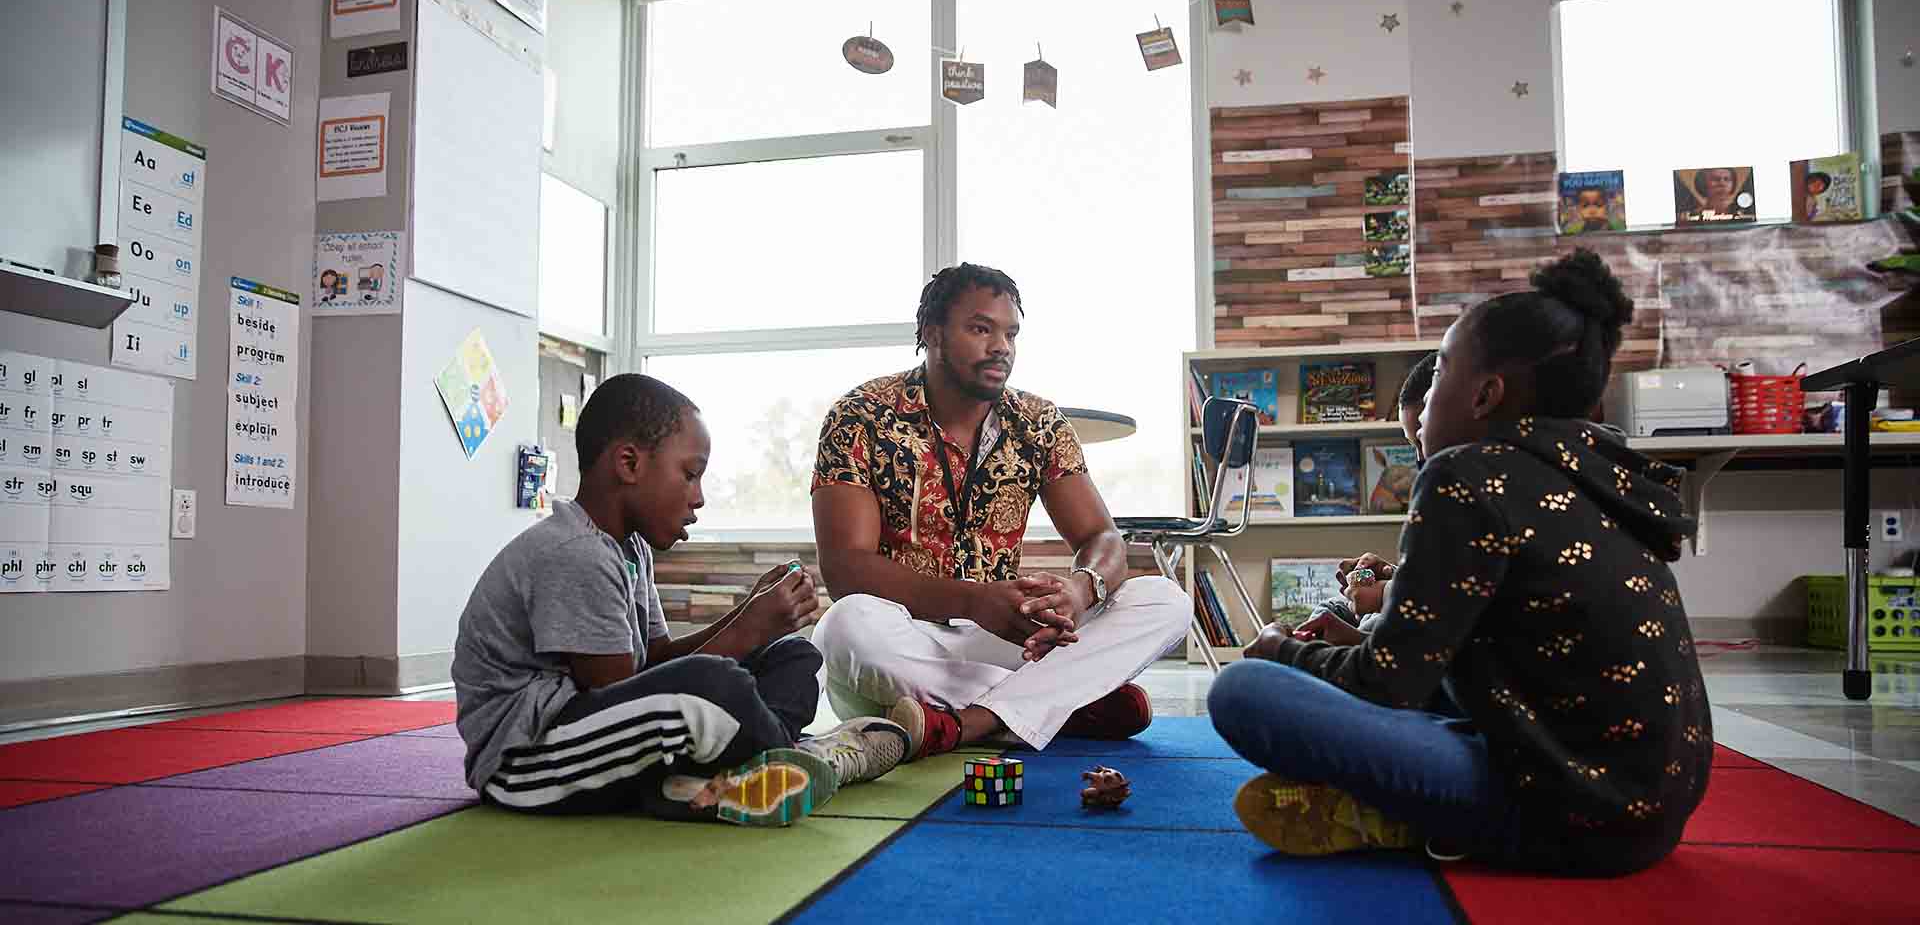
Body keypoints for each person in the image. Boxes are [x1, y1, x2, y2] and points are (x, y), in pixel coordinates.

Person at [1208, 249, 1708, 876]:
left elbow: (1387, 685)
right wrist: (1356, 640)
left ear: (1485, 394)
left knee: (1243, 691)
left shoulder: (1465, 473)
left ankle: (1415, 817)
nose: (1424, 403)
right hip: (1654, 815)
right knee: (1362, 644)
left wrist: (1281, 649)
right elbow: (1474, 647)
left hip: (1570, 814)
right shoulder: (1599, 467)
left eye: (1439, 373)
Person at [452, 374, 907, 825]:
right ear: (629, 464)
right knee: (712, 685)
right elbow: (617, 690)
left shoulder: (628, 547)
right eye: (690, 475)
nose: (700, 497)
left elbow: (655, 661)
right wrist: (746, 629)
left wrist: (749, 618)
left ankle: (712, 785)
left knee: (794, 656)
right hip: (530, 762)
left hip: (605, 735)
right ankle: (807, 757)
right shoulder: (576, 554)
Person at [809, 264, 1190, 760]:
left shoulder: (1039, 422)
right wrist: (972, 601)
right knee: (844, 626)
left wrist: (1079, 590)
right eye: (980, 328)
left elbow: (1103, 538)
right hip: (902, 644)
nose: (1001, 347)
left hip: (1008, 640)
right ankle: (1068, 704)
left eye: (1010, 333)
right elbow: (845, 569)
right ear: (932, 334)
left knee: (1164, 599)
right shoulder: (860, 416)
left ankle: (971, 722)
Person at [1300, 351, 1437, 645]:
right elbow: (1439, 580)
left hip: (1414, 632)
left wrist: (1387, 592)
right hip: (1405, 612)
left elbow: (1452, 600)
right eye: (1412, 446)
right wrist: (1389, 573)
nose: (1420, 460)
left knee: (1241, 678)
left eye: (1423, 440)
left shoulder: (1470, 494)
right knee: (1331, 610)